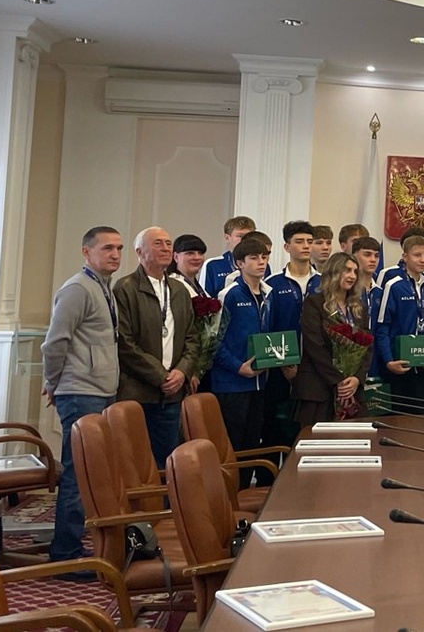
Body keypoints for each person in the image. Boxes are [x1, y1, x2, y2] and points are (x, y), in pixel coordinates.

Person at [41, 226, 123, 570]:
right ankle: (65, 554)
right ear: (86, 252)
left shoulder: (103, 286)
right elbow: (54, 342)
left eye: (119, 248)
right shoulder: (77, 288)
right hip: (80, 392)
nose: (116, 255)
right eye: (107, 248)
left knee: (93, 473)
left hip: (101, 390)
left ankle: (81, 543)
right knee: (77, 474)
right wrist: (52, 382)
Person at [113, 226, 199, 467]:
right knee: (136, 464)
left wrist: (181, 372)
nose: (166, 248)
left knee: (168, 463)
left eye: (169, 243)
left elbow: (192, 338)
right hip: (138, 393)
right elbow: (125, 343)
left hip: (172, 394)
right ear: (139, 252)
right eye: (158, 243)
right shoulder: (125, 288)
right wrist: (161, 376)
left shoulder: (179, 290)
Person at [261, 221, 321, 479]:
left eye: (309, 241)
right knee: (276, 430)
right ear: (287, 247)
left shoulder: (323, 282)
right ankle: (268, 486)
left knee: (308, 432)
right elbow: (268, 328)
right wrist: (284, 363)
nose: (306, 246)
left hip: (316, 370)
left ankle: (306, 486)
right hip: (280, 370)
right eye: (299, 241)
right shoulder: (272, 284)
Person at [209, 235, 272, 479]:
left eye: (264, 257)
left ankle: (245, 492)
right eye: (254, 258)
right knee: (232, 445)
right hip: (231, 383)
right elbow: (213, 340)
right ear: (239, 263)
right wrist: (237, 367)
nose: (261, 262)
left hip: (258, 382)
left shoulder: (268, 294)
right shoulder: (230, 295)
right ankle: (228, 494)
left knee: (251, 443)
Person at [293, 252, 370, 427]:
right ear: (333, 272)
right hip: (319, 389)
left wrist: (357, 378)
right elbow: (315, 346)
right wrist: (339, 381)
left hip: (353, 388)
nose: (352, 276)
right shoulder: (314, 303)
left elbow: (367, 345)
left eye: (355, 271)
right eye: (347, 270)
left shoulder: (358, 307)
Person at [375, 234, 424, 407]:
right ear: (405, 257)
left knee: (423, 414)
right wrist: (388, 360)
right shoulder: (394, 285)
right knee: (401, 413)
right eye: (417, 255)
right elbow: (382, 327)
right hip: (399, 363)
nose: (423, 260)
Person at [199, 215, 256, 298]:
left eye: (249, 236)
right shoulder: (212, 265)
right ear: (227, 238)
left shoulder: (261, 264)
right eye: (240, 236)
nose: (245, 240)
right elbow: (204, 298)